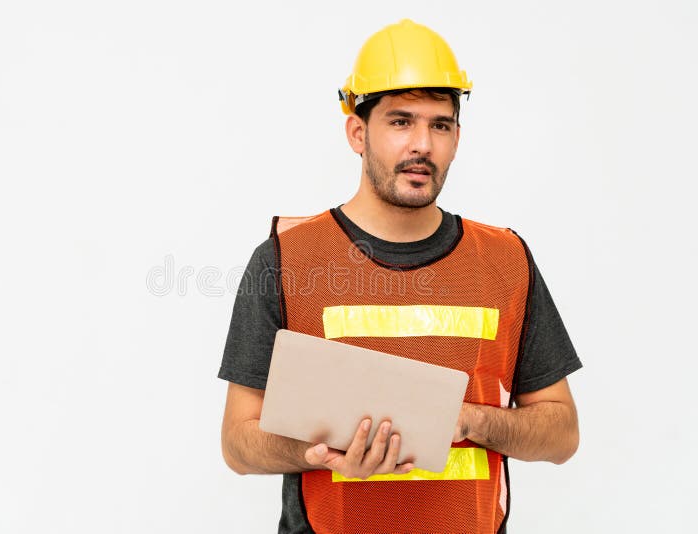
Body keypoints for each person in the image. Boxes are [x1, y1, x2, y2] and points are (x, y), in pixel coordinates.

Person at [218, 19, 582, 534]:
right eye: (401, 121)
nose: (423, 144)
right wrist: (318, 452)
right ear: (357, 132)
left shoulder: (506, 260)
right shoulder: (287, 259)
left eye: (441, 125)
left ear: (457, 138)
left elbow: (562, 434)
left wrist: (469, 420)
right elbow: (238, 443)